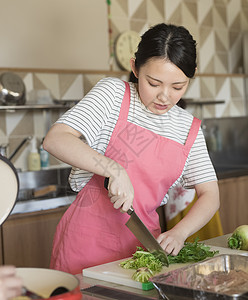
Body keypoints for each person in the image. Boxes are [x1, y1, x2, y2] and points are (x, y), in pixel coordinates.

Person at [43, 23, 220, 275]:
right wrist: (113, 169)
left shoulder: (187, 128)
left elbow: (210, 194)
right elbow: (56, 139)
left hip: (144, 250)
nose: (165, 96)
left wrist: (180, 233)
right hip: (85, 246)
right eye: (154, 83)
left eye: (177, 87)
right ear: (135, 67)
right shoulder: (113, 95)